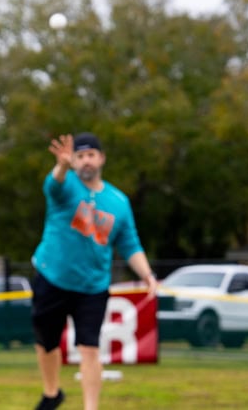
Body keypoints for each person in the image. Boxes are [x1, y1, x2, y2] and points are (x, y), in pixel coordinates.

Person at [30, 132, 159, 410]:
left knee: (89, 347)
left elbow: (129, 243)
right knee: (46, 343)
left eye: (90, 155)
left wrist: (147, 275)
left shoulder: (119, 202)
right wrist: (63, 165)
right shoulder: (66, 187)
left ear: (101, 158)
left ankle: (91, 407)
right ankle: (52, 393)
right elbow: (53, 185)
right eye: (80, 156)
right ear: (73, 160)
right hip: (52, 277)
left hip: (93, 286)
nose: (86, 161)